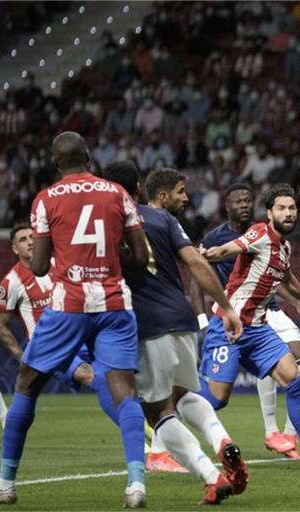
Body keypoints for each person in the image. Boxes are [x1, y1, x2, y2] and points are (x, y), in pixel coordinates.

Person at [0, 132, 151, 507]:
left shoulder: (45, 199)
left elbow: (40, 265)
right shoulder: (117, 193)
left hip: (68, 304)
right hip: (114, 303)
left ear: (55, 162)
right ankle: (136, 483)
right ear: (89, 156)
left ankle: (5, 482)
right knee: (123, 388)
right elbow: (140, 256)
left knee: (27, 384)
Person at [104, 162, 247, 505]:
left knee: (158, 411)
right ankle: (223, 440)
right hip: (181, 319)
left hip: (145, 325)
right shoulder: (162, 219)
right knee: (184, 392)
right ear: (139, 188)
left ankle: (212, 476)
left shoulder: (107, 224)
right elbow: (197, 263)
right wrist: (226, 307)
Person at [199, 183, 300, 463]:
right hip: (229, 326)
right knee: (217, 400)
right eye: (281, 208)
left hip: (259, 328)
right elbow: (232, 247)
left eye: (292, 208)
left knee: (294, 379)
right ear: (269, 213)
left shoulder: (285, 246)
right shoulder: (260, 232)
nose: (288, 213)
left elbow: (288, 279)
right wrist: (212, 253)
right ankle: (166, 412)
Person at [0, 224, 122, 425]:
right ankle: (146, 444)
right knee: (96, 379)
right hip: (50, 348)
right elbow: (1, 326)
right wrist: (24, 359)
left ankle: (152, 439)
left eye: (32, 236)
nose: (30, 242)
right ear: (14, 249)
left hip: (80, 337)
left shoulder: (60, 264)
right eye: (23, 240)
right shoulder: (11, 282)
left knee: (119, 380)